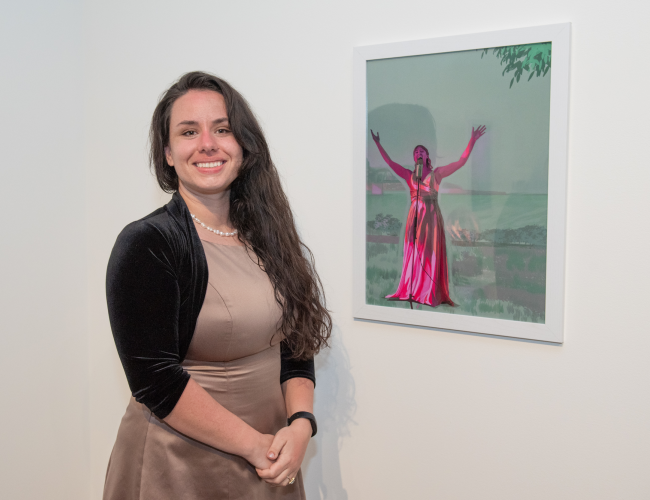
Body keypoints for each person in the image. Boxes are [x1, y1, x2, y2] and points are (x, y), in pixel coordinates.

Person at [104, 71, 331, 500]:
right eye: (189, 132)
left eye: (222, 129)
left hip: (270, 459)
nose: (208, 143)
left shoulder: (270, 235)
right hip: (178, 469)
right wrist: (256, 447)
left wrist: (301, 423)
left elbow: (295, 341)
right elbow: (156, 381)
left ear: (243, 145)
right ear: (168, 153)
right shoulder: (146, 244)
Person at [370, 126, 486, 308]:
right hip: (414, 217)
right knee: (414, 252)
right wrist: (378, 143)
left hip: (430, 217)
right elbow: (390, 163)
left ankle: (428, 291)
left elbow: (461, 162)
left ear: (427, 156)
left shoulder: (436, 174)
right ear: (414, 158)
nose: (418, 153)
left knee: (429, 253)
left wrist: (472, 140)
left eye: (422, 151)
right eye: (416, 152)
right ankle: (411, 289)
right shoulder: (409, 175)